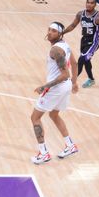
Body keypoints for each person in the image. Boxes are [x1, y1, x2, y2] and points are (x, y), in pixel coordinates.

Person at [31, 22, 79, 165]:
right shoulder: (66, 45)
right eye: (49, 29)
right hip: (66, 86)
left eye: (54, 31)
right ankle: (70, 145)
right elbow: (74, 63)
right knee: (53, 114)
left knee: (35, 117)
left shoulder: (56, 51)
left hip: (57, 87)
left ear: (60, 34)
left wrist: (44, 86)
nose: (50, 32)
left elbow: (65, 74)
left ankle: (43, 153)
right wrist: (74, 82)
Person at [62, 0, 99, 88]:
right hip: (84, 41)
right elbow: (72, 25)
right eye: (88, 2)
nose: (89, 4)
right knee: (86, 61)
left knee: (81, 60)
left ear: (95, 5)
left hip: (94, 42)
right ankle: (91, 79)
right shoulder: (80, 14)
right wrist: (63, 33)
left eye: (92, 3)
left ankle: (71, 81)